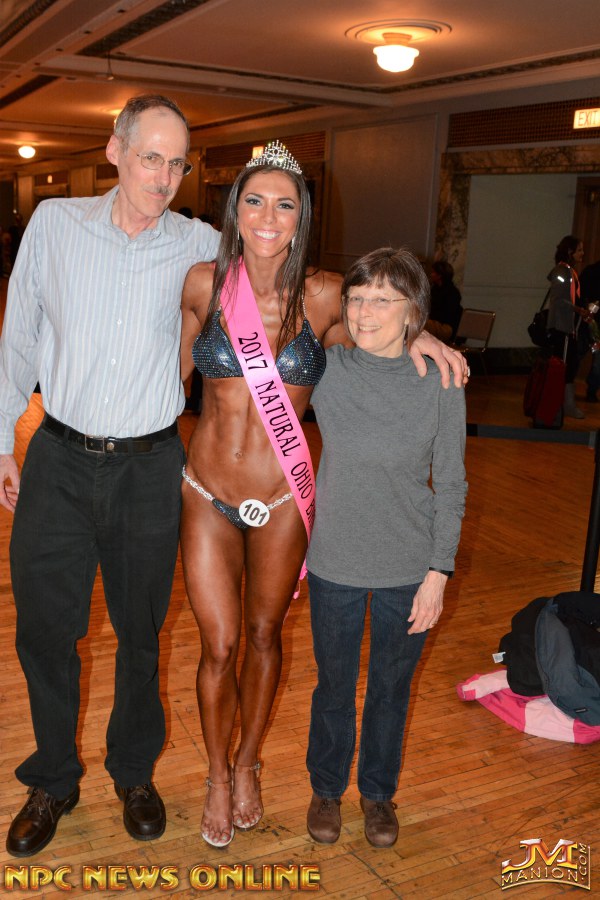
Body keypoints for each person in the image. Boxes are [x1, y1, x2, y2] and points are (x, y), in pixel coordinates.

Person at [179, 143, 467, 848]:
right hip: (207, 493)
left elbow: (385, 317)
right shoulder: (202, 283)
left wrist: (429, 339)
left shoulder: (328, 294)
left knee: (264, 636)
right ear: (234, 211)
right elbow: (164, 377)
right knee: (218, 645)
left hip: (282, 500)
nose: (268, 216)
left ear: (302, 215)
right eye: (254, 200)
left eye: (285, 204)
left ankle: (249, 765)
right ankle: (216, 774)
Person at [0, 94, 220, 857]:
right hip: (58, 459)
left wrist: (409, 334)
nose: (163, 177)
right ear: (115, 151)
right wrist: (3, 446)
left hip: (151, 467)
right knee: (45, 631)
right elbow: (18, 336)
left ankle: (133, 773)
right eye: (150, 157)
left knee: (140, 633)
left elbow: (286, 294)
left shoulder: (202, 245)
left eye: (176, 163)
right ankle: (53, 779)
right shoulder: (56, 225)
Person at [304, 247, 467, 848]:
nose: (363, 312)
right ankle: (326, 788)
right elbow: (297, 297)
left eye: (382, 300)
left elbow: (452, 484)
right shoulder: (327, 368)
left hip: (408, 566)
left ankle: (377, 795)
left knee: (390, 692)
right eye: (356, 298)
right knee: (333, 687)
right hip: (334, 560)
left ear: (412, 310)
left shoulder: (442, 382)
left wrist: (438, 573)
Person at [546, 234, 589, 418]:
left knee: (569, 365)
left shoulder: (570, 272)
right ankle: (560, 405)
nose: (582, 253)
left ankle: (567, 405)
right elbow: (558, 300)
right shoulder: (562, 271)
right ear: (570, 252)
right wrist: (577, 309)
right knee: (563, 367)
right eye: (579, 250)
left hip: (569, 328)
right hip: (561, 328)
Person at [425, 259, 463, 343]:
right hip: (437, 323)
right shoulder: (434, 290)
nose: (431, 275)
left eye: (433, 272)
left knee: (420, 325)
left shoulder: (452, 292)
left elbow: (446, 315)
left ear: (440, 275)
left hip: (447, 327)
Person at [579, 258, 600, 402]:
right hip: (589, 323)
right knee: (581, 354)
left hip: (589, 322)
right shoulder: (591, 272)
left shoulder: (590, 271)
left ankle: (592, 389)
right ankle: (591, 390)